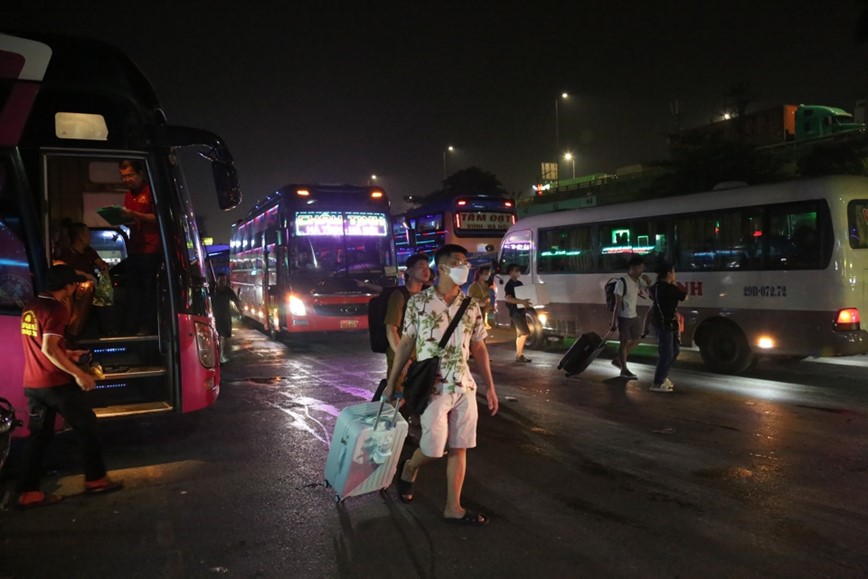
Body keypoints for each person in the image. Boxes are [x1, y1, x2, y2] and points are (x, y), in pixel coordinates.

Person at [384, 244, 498, 527]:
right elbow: (406, 342)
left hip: (464, 387)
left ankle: (453, 507)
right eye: (459, 262)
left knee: (460, 448)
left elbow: (479, 346)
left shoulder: (470, 306)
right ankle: (410, 467)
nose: (466, 267)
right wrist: (391, 382)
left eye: (467, 262)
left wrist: (490, 386)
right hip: (432, 387)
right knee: (434, 449)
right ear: (443, 267)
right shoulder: (418, 303)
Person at [16, 264, 123, 509]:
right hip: (55, 383)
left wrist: (71, 353)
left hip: (33, 383)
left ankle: (28, 492)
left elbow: (43, 345)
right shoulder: (56, 309)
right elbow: (48, 348)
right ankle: (96, 480)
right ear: (69, 286)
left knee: (38, 438)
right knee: (87, 425)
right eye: (74, 284)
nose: (75, 288)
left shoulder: (32, 306)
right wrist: (79, 374)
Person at [119, 160, 160, 334]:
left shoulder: (151, 192)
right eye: (123, 177)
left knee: (148, 290)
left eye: (130, 175)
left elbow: (158, 218)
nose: (126, 180)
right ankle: (130, 326)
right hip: (134, 247)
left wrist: (134, 214)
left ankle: (147, 326)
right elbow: (132, 220)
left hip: (150, 248)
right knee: (132, 290)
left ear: (140, 174)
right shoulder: (128, 195)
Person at [54, 221, 109, 337]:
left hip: (94, 288)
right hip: (77, 289)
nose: (90, 237)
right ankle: (72, 331)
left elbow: (100, 263)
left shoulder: (89, 252)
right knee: (85, 286)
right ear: (80, 237)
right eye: (88, 234)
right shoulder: (67, 254)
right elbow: (62, 267)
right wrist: (85, 276)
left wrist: (103, 267)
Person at [385, 253, 431, 379]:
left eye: (427, 267)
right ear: (409, 271)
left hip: (423, 356)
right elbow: (391, 330)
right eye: (421, 266)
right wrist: (403, 359)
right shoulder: (399, 295)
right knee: (399, 396)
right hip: (403, 357)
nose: (426, 270)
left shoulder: (429, 295)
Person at [610, 255, 652, 379]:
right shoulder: (622, 282)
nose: (642, 271)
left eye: (643, 268)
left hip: (633, 316)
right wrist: (614, 322)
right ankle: (624, 369)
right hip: (624, 317)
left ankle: (619, 360)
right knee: (624, 342)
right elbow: (617, 304)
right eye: (640, 268)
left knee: (637, 339)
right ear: (632, 268)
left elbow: (650, 292)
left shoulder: (638, 281)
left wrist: (648, 282)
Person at [648, 263, 687, 392]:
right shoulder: (670, 288)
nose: (674, 275)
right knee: (667, 353)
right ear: (669, 273)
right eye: (673, 272)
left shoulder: (655, 287)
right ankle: (657, 383)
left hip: (663, 323)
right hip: (665, 324)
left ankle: (663, 377)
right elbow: (685, 297)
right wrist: (674, 284)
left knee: (673, 351)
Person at [503, 263, 533, 363]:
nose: (518, 272)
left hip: (521, 311)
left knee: (521, 334)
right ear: (511, 272)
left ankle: (519, 355)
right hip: (515, 312)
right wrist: (522, 302)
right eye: (516, 270)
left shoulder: (519, 283)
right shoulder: (509, 285)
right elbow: (508, 298)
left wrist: (525, 303)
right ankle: (519, 355)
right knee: (524, 332)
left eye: (518, 270)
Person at [211, 273, 242, 363]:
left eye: (224, 280)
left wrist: (240, 310)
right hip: (216, 316)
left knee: (224, 337)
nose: (222, 282)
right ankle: (219, 356)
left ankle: (221, 354)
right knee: (220, 336)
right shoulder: (212, 290)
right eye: (221, 281)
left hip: (225, 317)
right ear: (217, 281)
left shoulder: (228, 291)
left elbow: (236, 300)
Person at [468, 264, 493, 330]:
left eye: (488, 274)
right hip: (476, 310)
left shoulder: (486, 285)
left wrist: (487, 300)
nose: (487, 275)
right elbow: (468, 299)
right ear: (480, 274)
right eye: (485, 273)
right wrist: (479, 300)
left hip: (484, 310)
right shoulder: (473, 286)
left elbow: (487, 296)